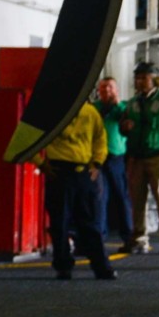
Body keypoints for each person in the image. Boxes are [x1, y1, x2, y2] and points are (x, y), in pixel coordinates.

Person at [32, 102, 118, 281]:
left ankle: (98, 266)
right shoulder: (52, 110)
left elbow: (100, 139)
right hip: (64, 171)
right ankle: (83, 266)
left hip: (77, 171)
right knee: (63, 223)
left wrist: (97, 163)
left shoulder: (87, 112)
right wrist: (40, 163)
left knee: (85, 223)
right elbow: (27, 137)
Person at [123, 64, 159, 254]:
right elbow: (122, 129)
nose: (140, 81)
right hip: (136, 158)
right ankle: (139, 238)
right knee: (137, 200)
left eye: (144, 77)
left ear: (156, 79)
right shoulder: (131, 103)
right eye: (138, 77)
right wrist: (124, 127)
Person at [90, 77, 135, 248]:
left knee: (121, 196)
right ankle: (99, 236)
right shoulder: (94, 109)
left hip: (116, 156)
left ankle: (128, 236)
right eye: (103, 87)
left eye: (110, 87)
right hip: (97, 158)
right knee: (100, 198)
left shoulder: (123, 108)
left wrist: (117, 106)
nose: (106, 90)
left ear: (116, 90)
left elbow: (127, 123)